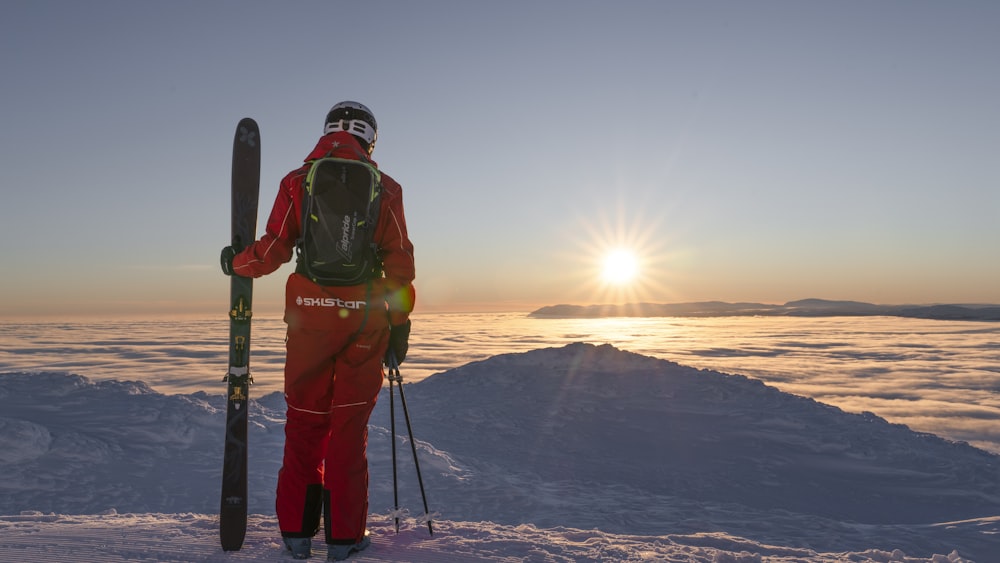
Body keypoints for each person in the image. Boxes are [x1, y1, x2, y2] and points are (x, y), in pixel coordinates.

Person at [220, 101, 415, 561]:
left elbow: (273, 250)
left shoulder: (296, 181)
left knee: (304, 428)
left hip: (308, 321)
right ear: (370, 138)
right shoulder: (385, 188)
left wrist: (236, 262)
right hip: (365, 326)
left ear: (327, 132)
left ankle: (296, 535)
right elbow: (399, 266)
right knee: (348, 432)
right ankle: (344, 539)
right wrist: (399, 328)